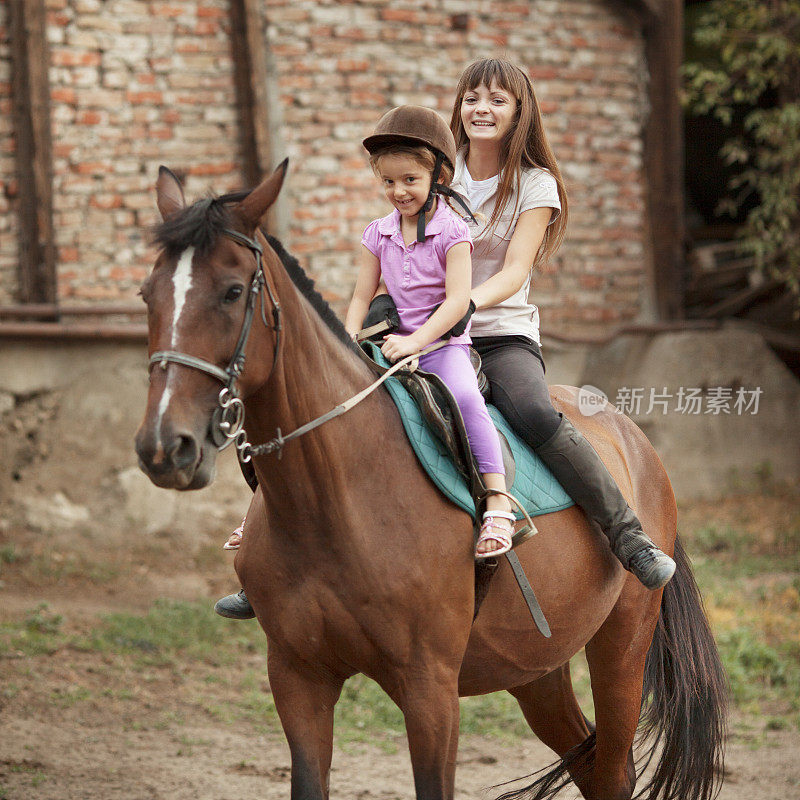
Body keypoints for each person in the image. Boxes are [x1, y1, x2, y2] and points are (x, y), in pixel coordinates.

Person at [444, 57, 675, 587]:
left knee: (534, 411)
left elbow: (514, 271)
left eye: (497, 99)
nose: (482, 108)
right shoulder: (438, 172)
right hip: (432, 330)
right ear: (458, 105)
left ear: (519, 113)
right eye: (472, 97)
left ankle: (628, 536)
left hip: (500, 333)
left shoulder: (534, 184)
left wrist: (461, 307)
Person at [345, 104, 515, 559]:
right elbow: (362, 296)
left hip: (441, 345)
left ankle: (498, 500)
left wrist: (416, 343)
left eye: (409, 180)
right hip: (388, 345)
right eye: (388, 182)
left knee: (463, 396)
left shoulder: (452, 232)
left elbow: (458, 301)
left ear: (438, 176)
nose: (398, 191)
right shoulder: (376, 234)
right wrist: (348, 338)